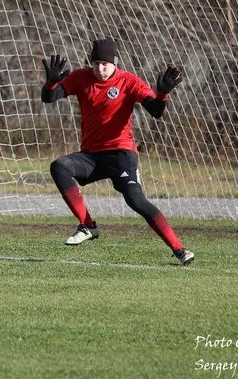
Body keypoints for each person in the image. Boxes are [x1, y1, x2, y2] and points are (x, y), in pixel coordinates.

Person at [40, 38, 194, 265]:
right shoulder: (82, 77)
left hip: (121, 154)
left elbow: (156, 110)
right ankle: (88, 225)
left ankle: (179, 249)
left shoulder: (128, 81)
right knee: (59, 167)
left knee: (135, 200)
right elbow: (49, 98)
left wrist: (161, 94)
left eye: (105, 63)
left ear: (115, 63)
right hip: (92, 155)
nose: (100, 69)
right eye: (96, 63)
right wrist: (51, 83)